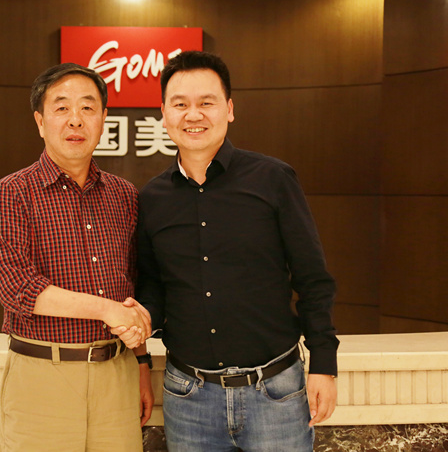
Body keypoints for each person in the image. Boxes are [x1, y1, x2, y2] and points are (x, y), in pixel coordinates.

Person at [134, 50, 339, 451]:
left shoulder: (273, 179)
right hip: (188, 396)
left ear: (229, 109)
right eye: (180, 104)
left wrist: (324, 365)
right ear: (164, 114)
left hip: (275, 392)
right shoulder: (152, 198)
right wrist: (139, 320)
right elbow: (154, 286)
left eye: (206, 102)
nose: (193, 115)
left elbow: (313, 279)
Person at [0, 63, 154, 452]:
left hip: (117, 377)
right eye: (61, 108)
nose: (75, 119)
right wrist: (106, 310)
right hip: (43, 378)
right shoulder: (11, 193)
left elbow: (131, 289)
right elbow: (16, 288)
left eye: (87, 108)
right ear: (40, 122)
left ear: (104, 119)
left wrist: (142, 364)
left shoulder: (124, 195)